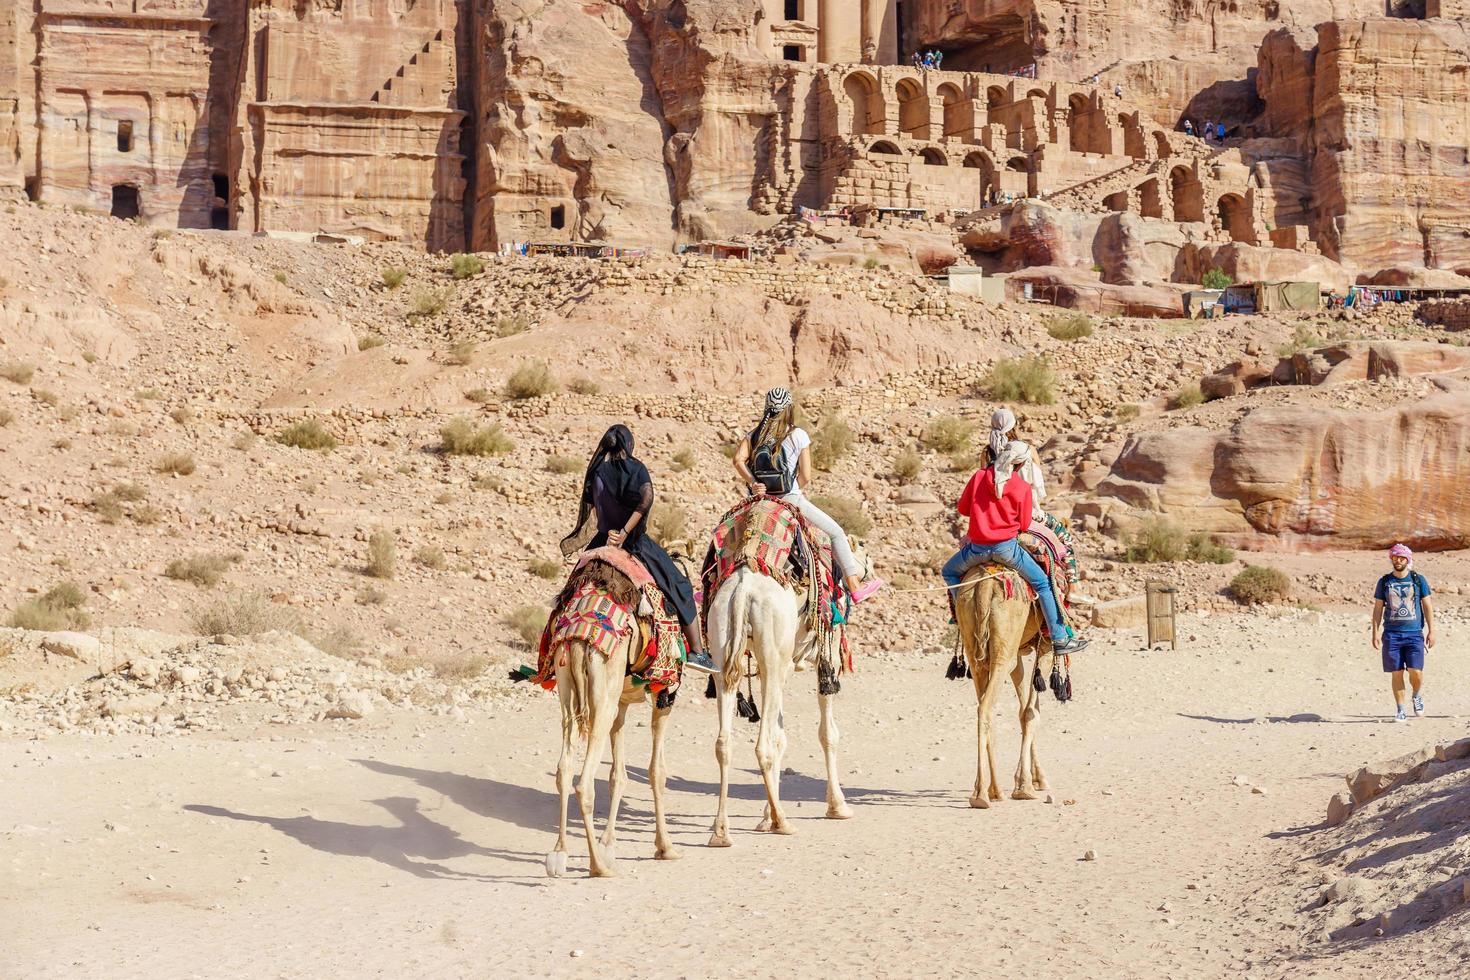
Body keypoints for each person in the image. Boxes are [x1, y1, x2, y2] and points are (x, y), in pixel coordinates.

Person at [561, 424, 717, 674]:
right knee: (679, 585)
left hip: (601, 540)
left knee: (570, 594)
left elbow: (593, 503)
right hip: (633, 543)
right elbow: (646, 500)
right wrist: (623, 533)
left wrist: (609, 529)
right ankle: (697, 652)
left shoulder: (597, 471)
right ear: (629, 445)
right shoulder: (636, 469)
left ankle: (549, 654)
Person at [941, 411, 1088, 654]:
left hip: (976, 549)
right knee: (1042, 583)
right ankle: (1060, 637)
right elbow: (1023, 523)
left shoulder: (978, 476)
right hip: (1006, 549)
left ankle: (961, 618)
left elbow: (963, 509)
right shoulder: (1020, 485)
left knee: (948, 572)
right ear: (1019, 464)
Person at [732, 388, 884, 603]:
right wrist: (792, 491)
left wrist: (754, 483)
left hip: (759, 501)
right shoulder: (798, 435)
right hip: (789, 500)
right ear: (789, 409)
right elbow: (806, 475)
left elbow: (738, 460)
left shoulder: (753, 436)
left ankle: (712, 587)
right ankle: (855, 587)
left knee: (728, 537)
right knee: (837, 534)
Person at [1372, 543, 1435, 721]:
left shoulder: (1418, 580)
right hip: (1391, 634)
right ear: (1391, 558)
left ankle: (1416, 695)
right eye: (1395, 557)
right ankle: (1400, 709)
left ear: (1407, 559)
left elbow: (1427, 606)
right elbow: (1377, 609)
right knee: (1397, 672)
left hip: (1414, 633)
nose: (1398, 560)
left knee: (1416, 671)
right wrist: (1375, 632)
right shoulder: (1384, 581)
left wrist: (1432, 631)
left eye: (1401, 557)